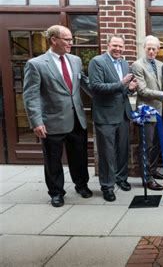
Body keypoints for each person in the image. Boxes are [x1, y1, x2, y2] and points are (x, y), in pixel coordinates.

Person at [23, 25, 92, 207]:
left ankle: (81, 185)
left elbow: (85, 84)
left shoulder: (76, 60)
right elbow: (31, 95)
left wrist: (114, 91)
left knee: (79, 155)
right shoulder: (36, 64)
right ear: (54, 40)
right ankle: (56, 192)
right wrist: (36, 121)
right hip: (52, 120)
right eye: (67, 39)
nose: (71, 43)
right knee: (53, 159)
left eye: (71, 39)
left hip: (77, 118)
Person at [89, 34, 137, 202]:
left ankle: (121, 178)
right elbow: (95, 87)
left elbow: (122, 91)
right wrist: (122, 83)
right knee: (107, 153)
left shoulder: (124, 63)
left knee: (122, 149)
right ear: (108, 45)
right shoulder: (98, 62)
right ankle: (107, 186)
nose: (118, 49)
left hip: (123, 114)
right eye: (115, 45)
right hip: (105, 116)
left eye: (120, 46)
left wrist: (130, 88)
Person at [131, 35, 163, 191]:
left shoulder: (160, 65)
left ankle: (152, 170)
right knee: (146, 145)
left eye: (154, 48)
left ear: (158, 50)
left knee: (158, 142)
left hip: (160, 109)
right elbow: (142, 90)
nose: (151, 51)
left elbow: (162, 86)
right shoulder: (137, 65)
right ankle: (147, 178)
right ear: (144, 48)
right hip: (146, 110)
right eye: (149, 48)